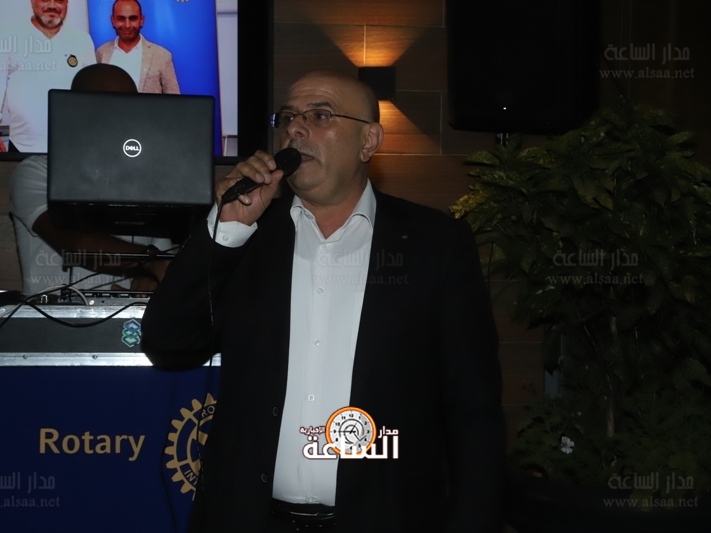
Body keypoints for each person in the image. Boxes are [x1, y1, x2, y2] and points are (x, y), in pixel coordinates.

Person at [141, 70, 505, 532]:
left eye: (320, 116)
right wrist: (228, 227)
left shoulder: (435, 244)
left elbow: (473, 409)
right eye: (288, 117)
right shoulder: (247, 237)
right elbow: (167, 341)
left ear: (368, 140)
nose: (295, 128)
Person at [10, 63, 171, 296]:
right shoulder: (37, 172)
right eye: (110, 104)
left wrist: (150, 279)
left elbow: (163, 262)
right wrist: (150, 261)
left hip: (127, 319)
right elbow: (75, 244)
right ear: (77, 109)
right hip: (48, 318)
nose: (125, 114)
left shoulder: (152, 183)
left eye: (131, 105)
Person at [0, 0, 96, 153]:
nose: (52, 6)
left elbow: (91, 93)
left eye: (59, 0)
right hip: (22, 145)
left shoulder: (82, 40)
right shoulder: (8, 35)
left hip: (72, 145)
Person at [95, 0, 180, 94]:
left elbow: (174, 98)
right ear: (113, 20)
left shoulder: (162, 56)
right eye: (121, 19)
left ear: (141, 20)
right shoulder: (101, 53)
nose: (127, 25)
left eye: (133, 18)